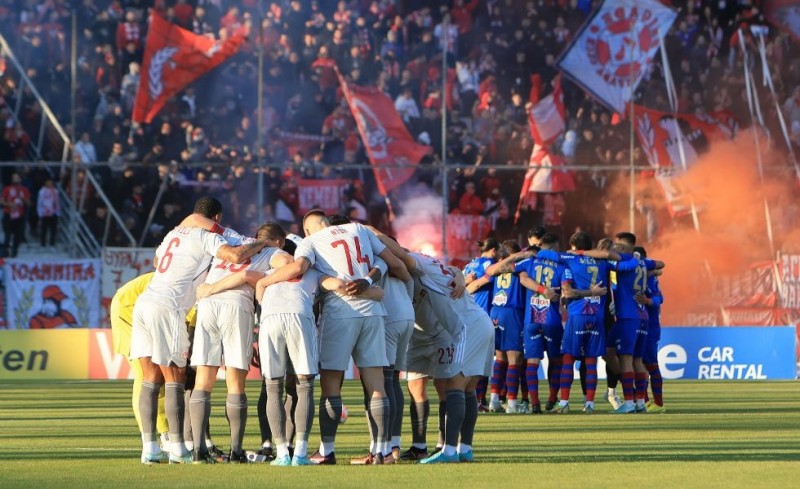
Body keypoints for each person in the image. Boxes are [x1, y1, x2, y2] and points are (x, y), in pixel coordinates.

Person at [254, 210, 410, 465]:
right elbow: (388, 261)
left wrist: (263, 283)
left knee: (331, 383)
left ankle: (326, 450)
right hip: (372, 311)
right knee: (377, 384)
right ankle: (381, 451)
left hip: (339, 312)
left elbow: (299, 267)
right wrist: (367, 281)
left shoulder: (311, 242)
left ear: (307, 230)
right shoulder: (359, 228)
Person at [130, 197, 268, 464]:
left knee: (150, 378)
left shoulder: (173, 234)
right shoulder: (208, 237)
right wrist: (261, 243)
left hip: (145, 302)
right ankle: (178, 448)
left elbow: (158, 261)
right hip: (168, 306)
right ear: (217, 218)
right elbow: (236, 255)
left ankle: (150, 448)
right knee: (175, 377)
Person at [187, 222, 288, 464]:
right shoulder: (273, 251)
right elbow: (287, 264)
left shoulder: (233, 243)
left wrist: (210, 289)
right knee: (235, 383)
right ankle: (236, 451)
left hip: (207, 307)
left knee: (203, 380)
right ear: (279, 241)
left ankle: (199, 450)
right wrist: (264, 278)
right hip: (236, 305)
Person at [536, 232, 610, 413]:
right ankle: (590, 404)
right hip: (597, 316)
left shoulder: (569, 258)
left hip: (577, 315)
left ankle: (564, 403)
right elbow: (619, 259)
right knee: (591, 361)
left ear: (574, 246)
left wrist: (571, 253)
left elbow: (542, 253)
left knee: (568, 359)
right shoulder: (603, 262)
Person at [109, 272, 169, 445]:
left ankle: (167, 434)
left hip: (146, 307)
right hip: (128, 308)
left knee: (160, 374)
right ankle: (154, 436)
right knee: (147, 374)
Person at [608, 232, 665, 414]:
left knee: (628, 360)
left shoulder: (626, 261)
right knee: (631, 359)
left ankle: (631, 402)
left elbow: (608, 263)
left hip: (628, 317)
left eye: (617, 244)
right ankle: (640, 401)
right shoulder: (642, 263)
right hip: (641, 317)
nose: (615, 247)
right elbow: (661, 264)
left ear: (622, 246)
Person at [468, 240, 527, 414]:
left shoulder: (495, 269)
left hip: (495, 312)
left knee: (500, 358)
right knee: (515, 359)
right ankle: (512, 403)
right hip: (512, 312)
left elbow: (475, 285)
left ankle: (494, 400)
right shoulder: (518, 267)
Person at [462, 238, 497, 411]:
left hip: (468, 315)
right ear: (494, 250)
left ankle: (474, 400)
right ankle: (479, 400)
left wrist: (467, 281)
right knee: (484, 362)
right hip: (485, 316)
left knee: (472, 360)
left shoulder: (470, 264)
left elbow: (459, 283)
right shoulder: (490, 264)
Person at [635, 246, 666, 414]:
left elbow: (659, 298)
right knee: (637, 363)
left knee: (650, 364)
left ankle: (658, 404)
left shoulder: (650, 279)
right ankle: (643, 401)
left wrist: (647, 301)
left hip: (650, 328)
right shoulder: (641, 277)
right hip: (637, 325)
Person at [2, 172, 30, 257]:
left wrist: (23, 198)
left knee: (17, 235)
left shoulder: (24, 189)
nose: (15, 179)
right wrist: (9, 204)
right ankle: (5, 251)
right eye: (13, 177)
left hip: (19, 215)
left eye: (16, 177)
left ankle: (14, 251)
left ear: (20, 179)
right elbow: (2, 200)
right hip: (8, 214)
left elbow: (29, 203)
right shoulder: (7, 189)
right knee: (7, 234)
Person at [37, 178, 59, 247]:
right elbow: (40, 201)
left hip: (53, 211)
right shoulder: (42, 191)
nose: (49, 184)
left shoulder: (55, 191)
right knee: (44, 228)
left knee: (53, 228)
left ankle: (52, 242)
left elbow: (57, 201)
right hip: (45, 211)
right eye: (48, 182)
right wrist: (40, 211)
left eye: (50, 182)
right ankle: (43, 242)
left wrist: (58, 211)